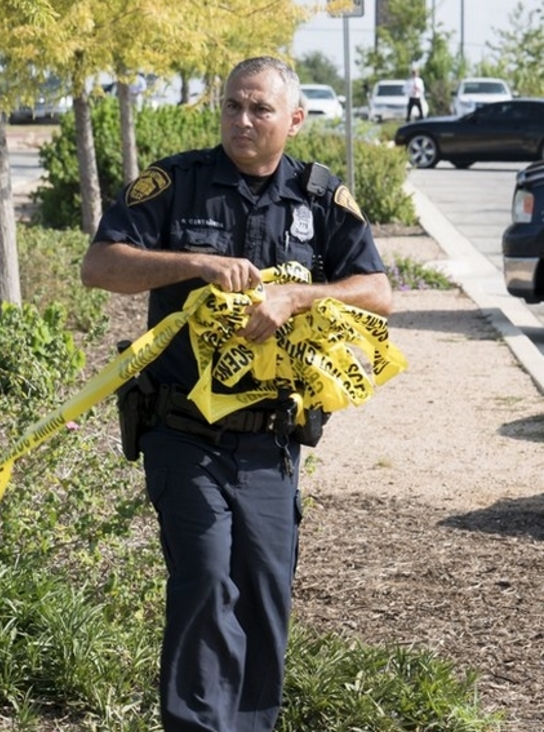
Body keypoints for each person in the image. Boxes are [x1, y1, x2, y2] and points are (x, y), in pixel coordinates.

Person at [81, 56, 393, 731]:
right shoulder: (176, 184)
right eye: (233, 106)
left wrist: (297, 294)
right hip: (180, 430)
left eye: (259, 109)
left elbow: (379, 291)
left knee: (262, 593)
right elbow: (100, 266)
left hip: (269, 444)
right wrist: (194, 263)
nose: (243, 120)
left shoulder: (318, 197)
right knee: (206, 576)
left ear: (296, 120)